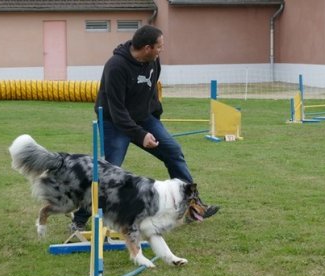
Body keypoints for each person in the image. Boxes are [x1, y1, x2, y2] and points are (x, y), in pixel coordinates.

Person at [71, 25, 219, 231]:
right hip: (114, 123)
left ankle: (193, 205)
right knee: (108, 172)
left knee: (173, 152)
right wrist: (141, 135)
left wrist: (155, 118)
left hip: (144, 119)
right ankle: (80, 218)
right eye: (159, 46)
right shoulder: (116, 67)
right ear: (148, 47)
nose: (161, 50)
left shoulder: (153, 61)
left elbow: (151, 90)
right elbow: (117, 111)